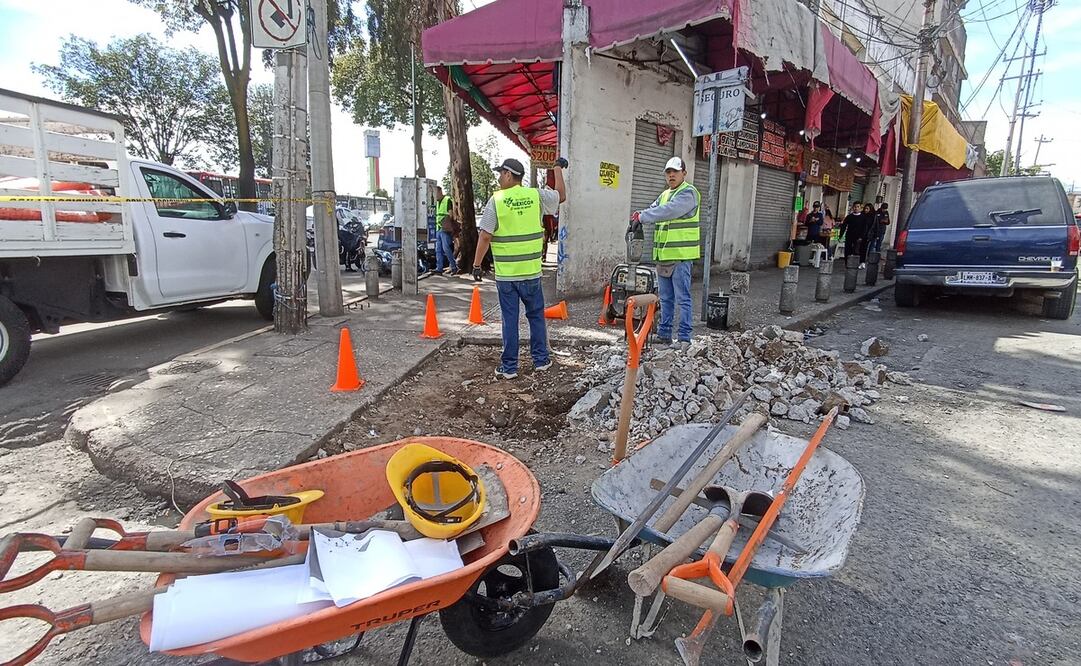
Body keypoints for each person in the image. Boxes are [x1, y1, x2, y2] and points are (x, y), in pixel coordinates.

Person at [473, 157, 567, 379]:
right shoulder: (536, 196)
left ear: (507, 174)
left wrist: (477, 264)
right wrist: (557, 168)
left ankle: (509, 367)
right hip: (531, 273)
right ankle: (541, 360)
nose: (498, 178)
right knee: (535, 316)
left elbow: (485, 235)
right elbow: (561, 196)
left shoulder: (496, 200)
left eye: (500, 174)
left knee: (510, 319)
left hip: (507, 276)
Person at [631, 157, 701, 347]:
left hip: (680, 257)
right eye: (668, 172)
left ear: (684, 173)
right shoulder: (664, 195)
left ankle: (685, 337)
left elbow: (669, 211)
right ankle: (664, 334)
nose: (671, 175)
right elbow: (655, 208)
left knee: (682, 298)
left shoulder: (689, 193)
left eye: (675, 172)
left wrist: (643, 216)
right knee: (666, 299)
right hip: (663, 257)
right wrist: (639, 214)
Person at [433, 187, 458, 275]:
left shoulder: (447, 200)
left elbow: (451, 214)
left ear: (440, 191)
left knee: (446, 248)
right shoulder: (437, 202)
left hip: (445, 228)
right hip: (438, 228)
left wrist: (445, 221)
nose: (434, 195)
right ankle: (439, 268)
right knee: (438, 249)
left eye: (435, 193)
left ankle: (454, 266)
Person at [839, 201, 869, 268]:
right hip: (849, 236)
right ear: (853, 208)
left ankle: (857, 263)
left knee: (857, 250)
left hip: (859, 237)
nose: (856, 208)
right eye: (855, 207)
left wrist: (862, 237)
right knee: (847, 250)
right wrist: (840, 235)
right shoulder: (849, 217)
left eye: (858, 207)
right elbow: (844, 226)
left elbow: (865, 228)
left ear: (860, 208)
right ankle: (847, 263)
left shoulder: (863, 218)